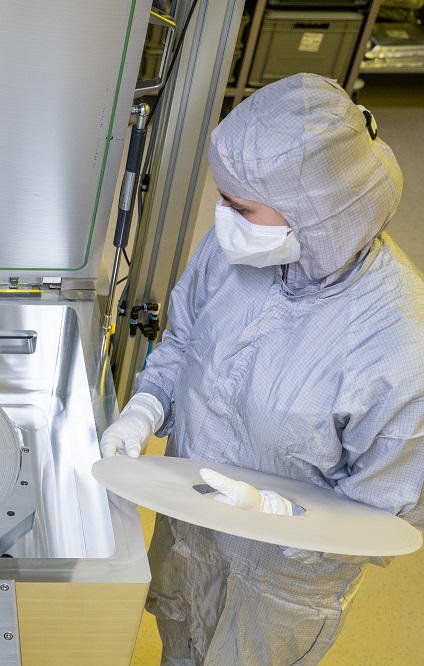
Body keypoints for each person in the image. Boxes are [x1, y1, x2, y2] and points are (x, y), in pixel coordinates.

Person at [100, 72, 424, 664]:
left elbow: (389, 513)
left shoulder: (399, 346)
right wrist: (144, 410)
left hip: (282, 580)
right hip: (194, 530)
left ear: (318, 211)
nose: (222, 217)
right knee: (181, 636)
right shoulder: (238, 252)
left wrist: (284, 517)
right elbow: (183, 341)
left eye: (241, 205)